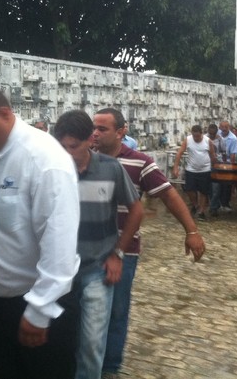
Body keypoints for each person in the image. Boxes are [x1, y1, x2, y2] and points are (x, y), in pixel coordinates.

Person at [0, 78, 81, 379]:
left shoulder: (44, 159)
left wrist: (39, 310)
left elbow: (59, 243)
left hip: (36, 304)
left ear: (5, 113)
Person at [92, 108, 205, 378]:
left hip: (124, 249)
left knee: (117, 310)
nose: (95, 133)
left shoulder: (140, 162)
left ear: (121, 132)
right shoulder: (84, 159)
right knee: (88, 312)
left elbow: (169, 195)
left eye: (102, 129)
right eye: (93, 127)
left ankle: (110, 367)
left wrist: (191, 231)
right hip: (87, 249)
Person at [54, 110, 143, 379]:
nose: (68, 153)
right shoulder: (53, 171)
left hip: (96, 267)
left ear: (89, 140)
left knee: (93, 340)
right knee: (62, 340)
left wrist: (118, 253)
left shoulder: (110, 168)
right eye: (63, 146)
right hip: (60, 269)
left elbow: (136, 210)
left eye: (74, 146)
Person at [173, 125, 217, 221]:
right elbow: (179, 153)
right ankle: (196, 205)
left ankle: (201, 211)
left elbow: (212, 154)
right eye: (194, 136)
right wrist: (175, 167)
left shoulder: (207, 141)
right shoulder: (188, 140)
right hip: (191, 169)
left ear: (201, 134)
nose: (196, 138)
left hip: (205, 170)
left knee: (203, 191)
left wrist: (214, 166)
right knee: (189, 189)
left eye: (198, 136)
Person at [216, 121, 237, 212]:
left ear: (229, 127)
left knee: (226, 185)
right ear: (220, 127)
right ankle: (217, 203)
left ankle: (225, 203)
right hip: (217, 162)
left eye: (226, 127)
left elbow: (233, 154)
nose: (224, 129)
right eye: (222, 127)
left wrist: (231, 168)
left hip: (227, 163)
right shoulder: (217, 134)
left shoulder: (233, 139)